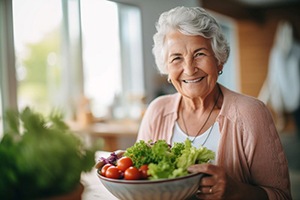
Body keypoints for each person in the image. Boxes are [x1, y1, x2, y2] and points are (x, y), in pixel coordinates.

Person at [137, 6, 292, 199]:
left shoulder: (251, 113)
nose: (190, 69)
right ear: (166, 69)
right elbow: (139, 181)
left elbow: (281, 195)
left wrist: (237, 191)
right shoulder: (156, 111)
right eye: (176, 58)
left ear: (219, 60)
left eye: (199, 54)